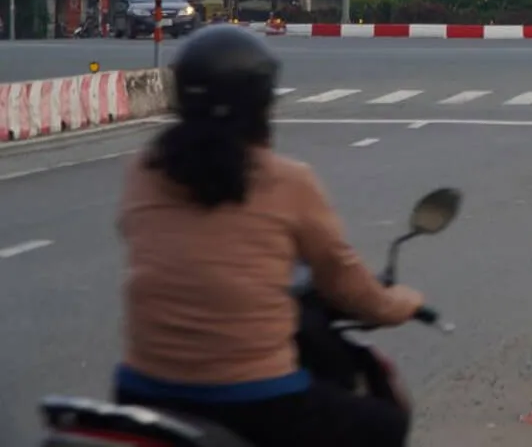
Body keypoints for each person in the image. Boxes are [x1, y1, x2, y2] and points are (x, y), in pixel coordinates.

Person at [113, 25, 424, 447]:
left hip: (140, 391)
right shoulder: (286, 180)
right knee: (384, 423)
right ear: (262, 101)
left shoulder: (144, 171)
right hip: (251, 400)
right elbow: (346, 284)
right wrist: (399, 304)